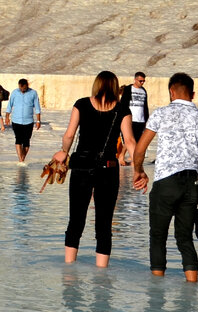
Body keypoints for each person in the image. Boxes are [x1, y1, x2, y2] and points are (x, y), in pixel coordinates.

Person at [132, 73, 198, 283]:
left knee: (158, 237)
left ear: (171, 92)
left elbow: (139, 149)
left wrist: (139, 171)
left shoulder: (161, 113)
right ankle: (192, 286)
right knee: (185, 239)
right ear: (193, 94)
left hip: (166, 182)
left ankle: (156, 294)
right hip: (193, 184)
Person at [52, 71, 137, 268]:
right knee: (104, 224)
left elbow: (69, 134)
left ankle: (69, 269)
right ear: (115, 87)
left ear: (97, 85)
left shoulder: (81, 104)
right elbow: (130, 142)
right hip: (108, 169)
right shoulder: (123, 109)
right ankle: (101, 274)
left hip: (81, 167)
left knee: (76, 220)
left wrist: (64, 151)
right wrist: (138, 169)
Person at [7, 78, 41, 164]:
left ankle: (22, 158)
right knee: (18, 139)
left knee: (26, 141)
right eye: (20, 88)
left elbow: (37, 107)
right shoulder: (15, 92)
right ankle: (20, 160)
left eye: (24, 88)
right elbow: (9, 105)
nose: (22, 90)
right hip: (16, 120)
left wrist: (38, 121)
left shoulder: (33, 93)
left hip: (28, 121)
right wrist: (7, 116)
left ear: (27, 85)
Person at [119, 71, 149, 165]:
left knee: (137, 140)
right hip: (130, 119)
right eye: (140, 81)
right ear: (135, 79)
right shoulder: (128, 89)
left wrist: (146, 118)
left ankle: (126, 157)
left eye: (143, 81)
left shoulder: (143, 90)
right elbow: (123, 104)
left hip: (140, 120)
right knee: (129, 139)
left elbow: (145, 106)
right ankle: (127, 158)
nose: (142, 83)